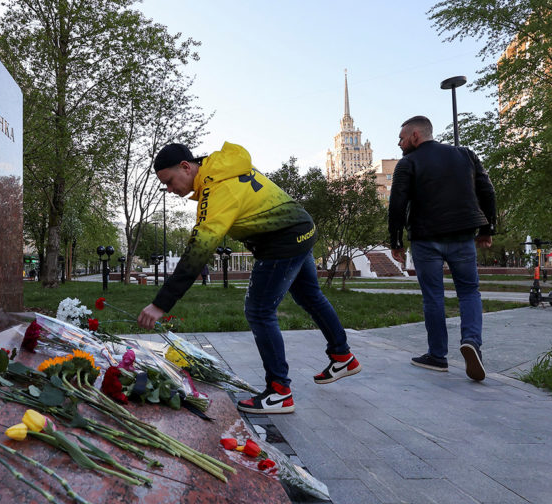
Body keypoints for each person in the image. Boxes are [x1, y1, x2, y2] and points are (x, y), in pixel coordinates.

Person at [138, 142, 361, 414]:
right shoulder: (223, 166)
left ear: (186, 167)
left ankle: (280, 393)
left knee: (258, 309)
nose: (171, 191)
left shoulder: (217, 189)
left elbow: (198, 252)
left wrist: (161, 304)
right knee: (309, 296)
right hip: (302, 227)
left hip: (282, 241)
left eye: (170, 182)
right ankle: (343, 356)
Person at [388, 116, 496, 381]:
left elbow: (397, 204)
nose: (399, 143)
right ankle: (472, 341)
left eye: (401, 138)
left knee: (433, 296)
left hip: (426, 239)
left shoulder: (408, 163)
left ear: (415, 135)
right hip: (462, 236)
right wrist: (487, 229)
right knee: (469, 291)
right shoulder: (466, 155)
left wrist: (396, 241)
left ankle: (437, 356)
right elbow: (487, 191)